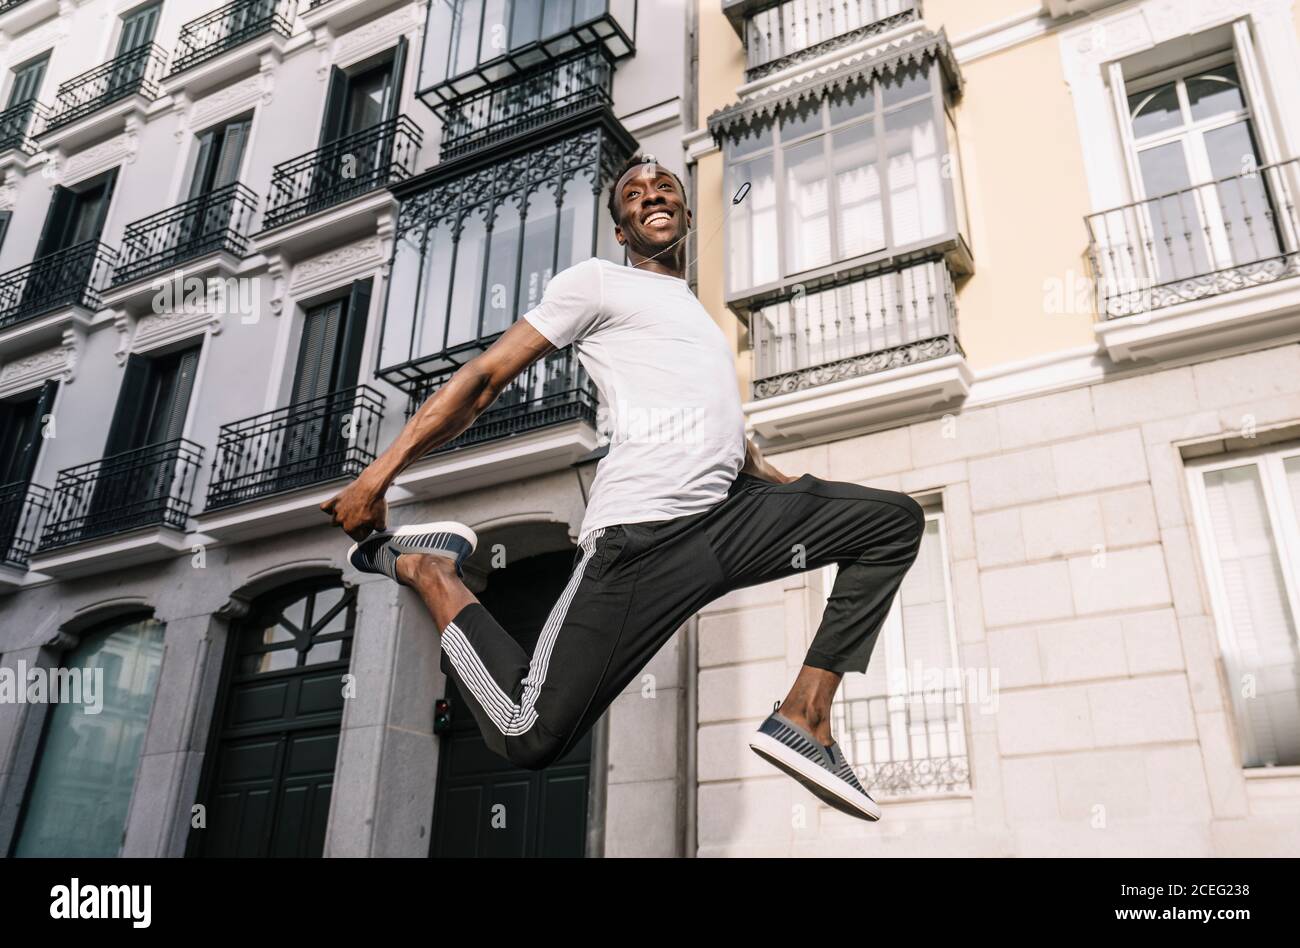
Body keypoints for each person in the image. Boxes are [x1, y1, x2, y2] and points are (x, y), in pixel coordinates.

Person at [321, 155, 925, 821]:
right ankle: (429, 569)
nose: (653, 194)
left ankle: (804, 716)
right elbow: (487, 377)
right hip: (638, 538)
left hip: (727, 520)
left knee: (891, 523)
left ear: (687, 214)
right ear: (621, 228)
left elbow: (731, 442)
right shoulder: (598, 284)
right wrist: (380, 473)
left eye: (665, 187)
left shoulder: (700, 320)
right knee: (529, 735)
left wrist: (797, 502)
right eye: (634, 193)